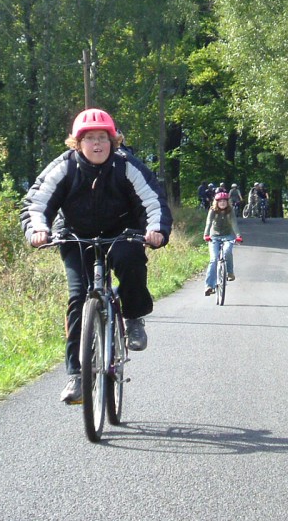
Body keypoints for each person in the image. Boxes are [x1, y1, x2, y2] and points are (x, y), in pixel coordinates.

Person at [20, 108, 172, 404]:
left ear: (113, 141)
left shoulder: (126, 166)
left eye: (103, 137)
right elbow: (37, 202)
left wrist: (155, 230)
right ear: (78, 143)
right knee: (78, 298)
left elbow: (153, 201)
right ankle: (77, 376)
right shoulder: (64, 167)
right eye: (90, 138)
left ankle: (133, 316)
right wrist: (38, 230)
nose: (97, 144)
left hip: (122, 232)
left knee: (130, 262)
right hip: (75, 235)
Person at [203, 191, 242, 295]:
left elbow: (234, 223)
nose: (222, 203)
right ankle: (209, 286)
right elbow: (208, 223)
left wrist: (238, 236)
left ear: (228, 202)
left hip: (228, 236)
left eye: (224, 201)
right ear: (216, 202)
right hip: (214, 237)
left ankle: (229, 272)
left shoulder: (230, 210)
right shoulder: (212, 210)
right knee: (213, 259)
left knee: (227, 251)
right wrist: (206, 235)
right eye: (220, 201)